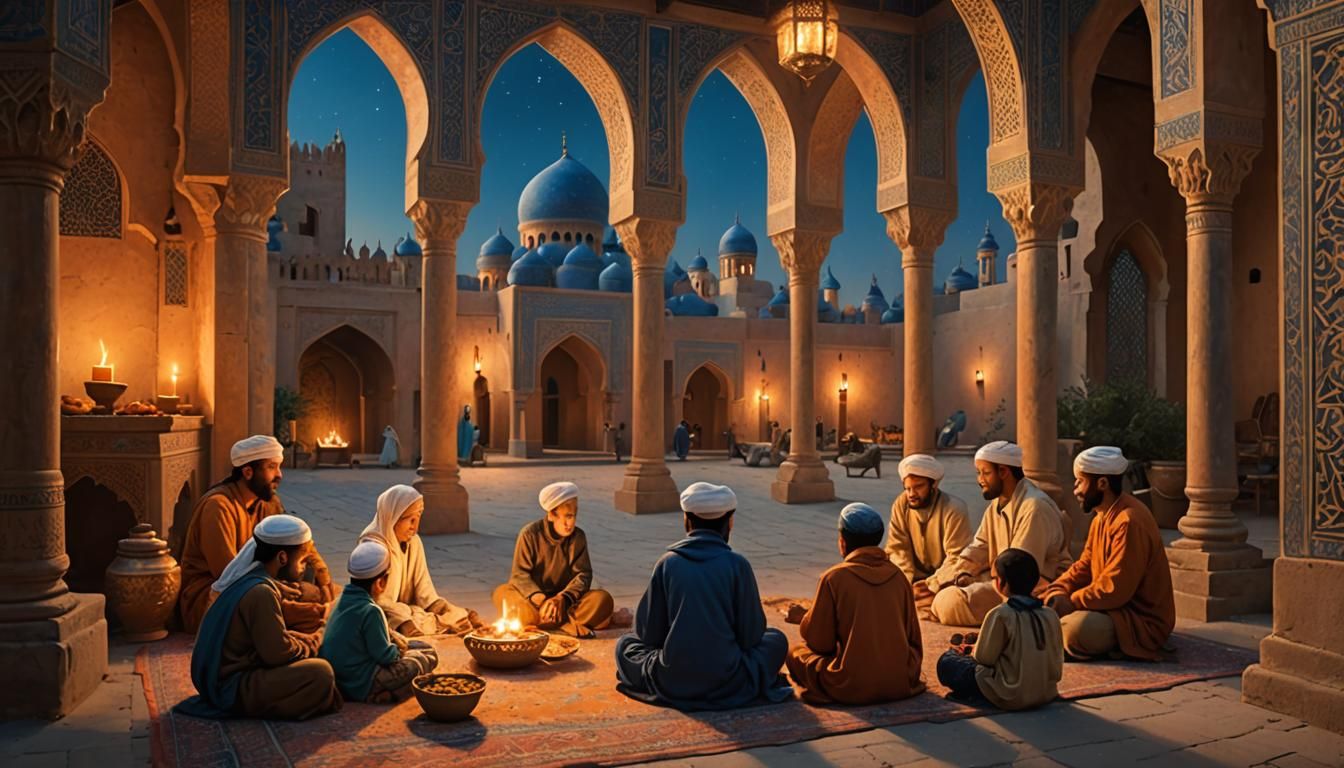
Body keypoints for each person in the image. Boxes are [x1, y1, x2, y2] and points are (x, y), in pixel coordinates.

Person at [616, 482, 791, 710]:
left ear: (686, 521)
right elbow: (752, 636)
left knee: (625, 644)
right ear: (730, 522)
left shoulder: (667, 563)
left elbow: (647, 635)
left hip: (673, 679)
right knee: (776, 640)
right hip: (729, 678)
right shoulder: (738, 565)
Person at [176, 515, 342, 720]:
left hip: (223, 679)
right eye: (301, 561)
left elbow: (270, 642)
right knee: (321, 672)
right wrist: (316, 640)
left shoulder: (254, 581)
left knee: (312, 650)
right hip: (231, 687)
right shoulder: (261, 592)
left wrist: (305, 640)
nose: (303, 569)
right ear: (282, 558)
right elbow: (278, 654)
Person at [178, 435, 335, 634]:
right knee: (293, 607)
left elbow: (301, 543)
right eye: (271, 467)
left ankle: (306, 613)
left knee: (326, 591)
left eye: (279, 467)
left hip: (260, 585)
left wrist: (323, 578)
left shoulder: (269, 503)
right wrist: (276, 588)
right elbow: (227, 574)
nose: (279, 475)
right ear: (248, 472)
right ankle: (305, 615)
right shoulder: (218, 507)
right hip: (213, 596)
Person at [1041, 446, 1175, 661]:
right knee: (1046, 608)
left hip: (1137, 621)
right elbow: (1083, 566)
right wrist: (1057, 590)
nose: (1075, 489)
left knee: (1075, 630)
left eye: (1080, 482)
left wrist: (1071, 601)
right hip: (1110, 609)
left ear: (1102, 483)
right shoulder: (1100, 518)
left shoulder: (1129, 521)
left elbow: (1115, 589)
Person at [786, 503, 925, 705]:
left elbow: (820, 644)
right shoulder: (899, 576)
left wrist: (805, 619)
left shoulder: (833, 578)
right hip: (900, 680)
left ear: (842, 541)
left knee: (795, 652)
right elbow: (912, 639)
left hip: (848, 685)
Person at [929, 441, 1072, 627]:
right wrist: (952, 576)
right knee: (940, 591)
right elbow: (979, 547)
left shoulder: (1035, 507)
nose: (980, 479)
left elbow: (1020, 571)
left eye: (985, 473)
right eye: (978, 473)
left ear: (1003, 472)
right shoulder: (996, 505)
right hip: (1002, 580)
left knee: (950, 602)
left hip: (1034, 588)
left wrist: (971, 581)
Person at [935, 548, 1063, 711]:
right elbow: (1057, 662)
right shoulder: (1050, 614)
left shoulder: (1001, 614)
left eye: (995, 577)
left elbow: (984, 658)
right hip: (1046, 692)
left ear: (1001, 583)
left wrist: (970, 651)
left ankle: (983, 695)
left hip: (1010, 694)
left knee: (947, 661)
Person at [320, 540, 439, 703]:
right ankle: (385, 693)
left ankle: (390, 691)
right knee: (425, 658)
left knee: (422, 646)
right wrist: (399, 650)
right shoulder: (370, 610)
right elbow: (386, 657)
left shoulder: (340, 599)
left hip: (341, 678)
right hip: (361, 681)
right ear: (380, 583)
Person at [358, 484, 484, 636]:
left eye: (418, 519)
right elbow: (375, 601)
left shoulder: (414, 542)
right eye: (411, 520)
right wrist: (404, 619)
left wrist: (446, 609)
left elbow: (424, 591)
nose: (415, 528)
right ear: (393, 517)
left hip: (409, 610)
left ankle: (440, 621)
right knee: (395, 615)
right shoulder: (372, 548)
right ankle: (419, 626)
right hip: (382, 611)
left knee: (435, 614)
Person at [492, 482, 615, 638]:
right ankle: (561, 623)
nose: (569, 523)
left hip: (565, 604)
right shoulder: (529, 534)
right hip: (534, 603)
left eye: (573, 516)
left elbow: (583, 575)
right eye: (566, 516)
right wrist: (542, 601)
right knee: (502, 592)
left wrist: (561, 598)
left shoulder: (578, 537)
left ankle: (542, 623)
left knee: (602, 599)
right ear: (551, 515)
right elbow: (519, 575)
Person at [887, 454, 973, 617]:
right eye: (907, 488)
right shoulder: (902, 503)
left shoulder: (954, 509)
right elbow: (897, 548)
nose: (911, 494)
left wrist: (932, 584)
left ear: (933, 485)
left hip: (944, 579)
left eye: (918, 487)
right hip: (913, 577)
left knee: (956, 597)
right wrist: (904, 583)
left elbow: (957, 557)